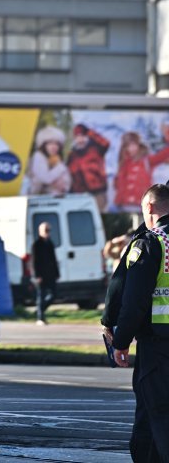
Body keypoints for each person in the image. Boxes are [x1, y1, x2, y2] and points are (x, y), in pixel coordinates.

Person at [106, 183, 169, 462]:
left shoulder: (150, 242)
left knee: (159, 416)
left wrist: (120, 341)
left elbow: (133, 300)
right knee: (148, 420)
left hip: (158, 348)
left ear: (150, 208)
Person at [113, 131, 169, 213]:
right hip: (123, 207)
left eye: (133, 144)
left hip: (142, 207)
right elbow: (117, 184)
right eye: (128, 145)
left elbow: (162, 156)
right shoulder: (123, 163)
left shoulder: (147, 161)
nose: (131, 148)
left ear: (138, 145)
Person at [67, 123, 110, 212]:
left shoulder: (96, 149)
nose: (80, 139)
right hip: (79, 195)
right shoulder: (72, 155)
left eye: (82, 136)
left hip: (98, 193)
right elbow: (69, 175)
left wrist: (90, 132)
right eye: (77, 137)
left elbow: (106, 143)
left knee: (98, 216)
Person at [25, 125, 71, 196]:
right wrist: (60, 167)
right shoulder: (38, 156)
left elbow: (66, 185)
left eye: (56, 144)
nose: (54, 146)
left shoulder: (57, 159)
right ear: (44, 144)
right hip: (36, 198)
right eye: (50, 143)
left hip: (55, 199)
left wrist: (62, 186)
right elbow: (45, 178)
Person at [31, 222, 60, 325]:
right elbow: (34, 261)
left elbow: (54, 259)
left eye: (49, 230)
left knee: (54, 295)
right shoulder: (36, 244)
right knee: (41, 295)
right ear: (40, 231)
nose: (48, 232)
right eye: (46, 230)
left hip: (51, 274)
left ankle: (40, 309)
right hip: (41, 275)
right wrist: (37, 275)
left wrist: (57, 273)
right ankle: (40, 317)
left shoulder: (50, 243)